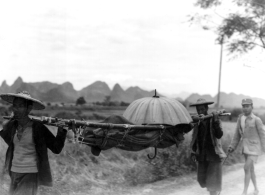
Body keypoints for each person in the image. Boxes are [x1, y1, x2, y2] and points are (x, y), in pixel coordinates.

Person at [0, 91, 67, 195]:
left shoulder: (38, 127)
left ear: (29, 108)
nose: (16, 109)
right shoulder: (12, 126)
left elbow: (56, 148)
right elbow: (5, 135)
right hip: (14, 172)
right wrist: (9, 121)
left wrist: (61, 131)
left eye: (21, 106)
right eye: (15, 105)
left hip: (30, 173)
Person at [228, 98, 265, 195]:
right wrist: (232, 146)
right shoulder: (241, 118)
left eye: (247, 106)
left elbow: (262, 135)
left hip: (255, 148)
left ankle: (244, 192)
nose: (245, 108)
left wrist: (264, 148)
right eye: (243, 106)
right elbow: (237, 134)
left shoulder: (257, 120)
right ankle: (256, 189)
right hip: (245, 148)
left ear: (252, 107)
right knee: (250, 169)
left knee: (246, 167)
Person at [190, 98, 226, 195]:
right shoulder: (197, 122)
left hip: (214, 155)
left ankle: (214, 191)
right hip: (202, 156)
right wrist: (193, 151)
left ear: (206, 108)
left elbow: (219, 134)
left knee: (212, 185)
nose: (200, 112)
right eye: (198, 110)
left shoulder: (214, 119)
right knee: (202, 180)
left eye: (202, 109)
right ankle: (215, 191)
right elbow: (195, 137)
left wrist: (215, 121)